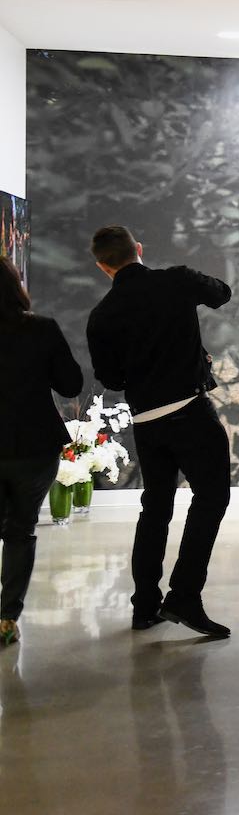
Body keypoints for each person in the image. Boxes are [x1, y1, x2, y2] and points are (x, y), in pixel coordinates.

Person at [86, 225, 232, 637]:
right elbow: (221, 293)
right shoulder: (176, 281)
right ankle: (184, 595)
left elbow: (112, 379)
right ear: (139, 248)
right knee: (212, 496)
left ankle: (145, 605)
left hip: (147, 422)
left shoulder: (101, 316)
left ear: (102, 266)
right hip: (190, 410)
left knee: (156, 508)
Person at [0, 255, 83, 646]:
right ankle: (6, 617)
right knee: (20, 530)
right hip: (34, 446)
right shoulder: (42, 329)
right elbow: (70, 385)